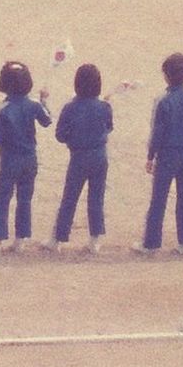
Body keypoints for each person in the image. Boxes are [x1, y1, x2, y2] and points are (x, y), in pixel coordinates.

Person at [140, 53, 183, 252]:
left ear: (166, 75)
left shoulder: (164, 101)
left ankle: (151, 243)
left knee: (159, 198)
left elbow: (158, 132)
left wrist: (151, 156)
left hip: (168, 154)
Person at [0, 61, 50, 249]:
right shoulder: (34, 105)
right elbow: (47, 120)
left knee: (2, 199)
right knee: (25, 199)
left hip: (9, 159)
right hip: (30, 158)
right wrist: (44, 100)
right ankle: (21, 240)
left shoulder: (3, 109)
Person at [48, 63, 109, 249]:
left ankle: (58, 239)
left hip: (79, 157)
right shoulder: (104, 107)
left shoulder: (70, 107)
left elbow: (60, 135)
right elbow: (109, 127)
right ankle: (95, 240)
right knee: (96, 198)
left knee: (70, 198)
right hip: (100, 155)